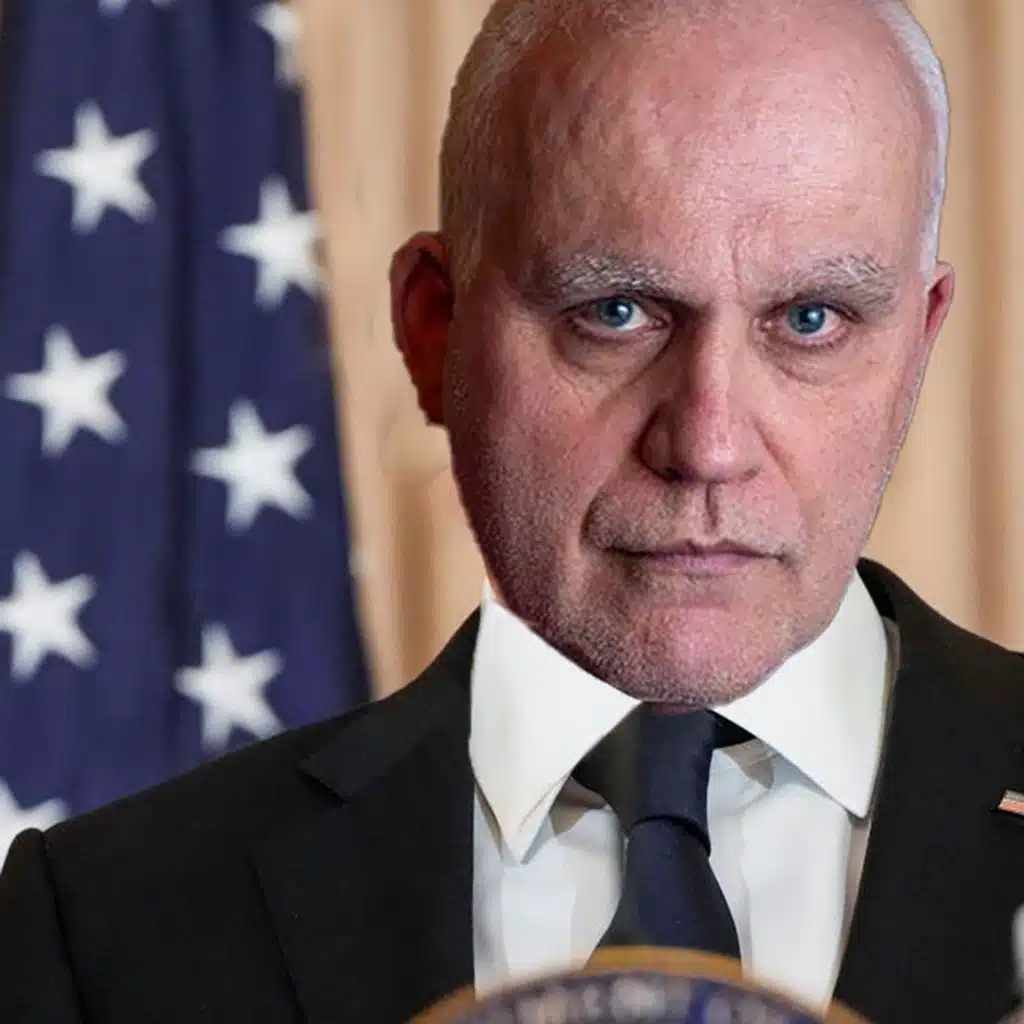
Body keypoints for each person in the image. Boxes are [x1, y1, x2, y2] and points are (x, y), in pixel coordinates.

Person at [1, 0, 1022, 1021]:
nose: (707, 446)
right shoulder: (106, 924)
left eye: (811, 320)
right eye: (615, 313)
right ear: (432, 329)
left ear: (918, 345)